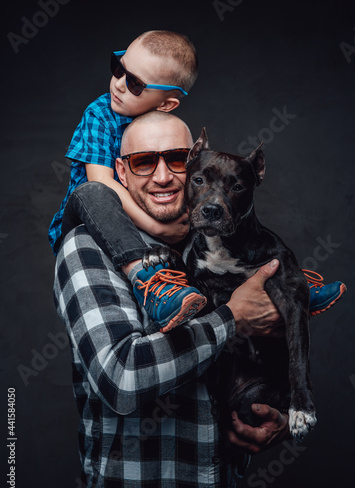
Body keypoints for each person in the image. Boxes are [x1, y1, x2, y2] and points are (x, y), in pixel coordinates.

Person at [53, 112, 290, 488]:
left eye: (177, 160)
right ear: (121, 173)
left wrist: (275, 412)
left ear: (197, 166)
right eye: (144, 161)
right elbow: (122, 377)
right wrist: (233, 318)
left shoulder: (212, 250)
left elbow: (251, 359)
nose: (163, 177)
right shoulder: (86, 248)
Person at [50, 30, 346, 332]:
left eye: (135, 83)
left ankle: (286, 279)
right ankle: (149, 283)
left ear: (165, 104)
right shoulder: (100, 115)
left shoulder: (160, 125)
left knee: (211, 212)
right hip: (93, 213)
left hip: (148, 222)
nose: (119, 84)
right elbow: (102, 184)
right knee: (92, 193)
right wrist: (158, 227)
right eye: (118, 68)